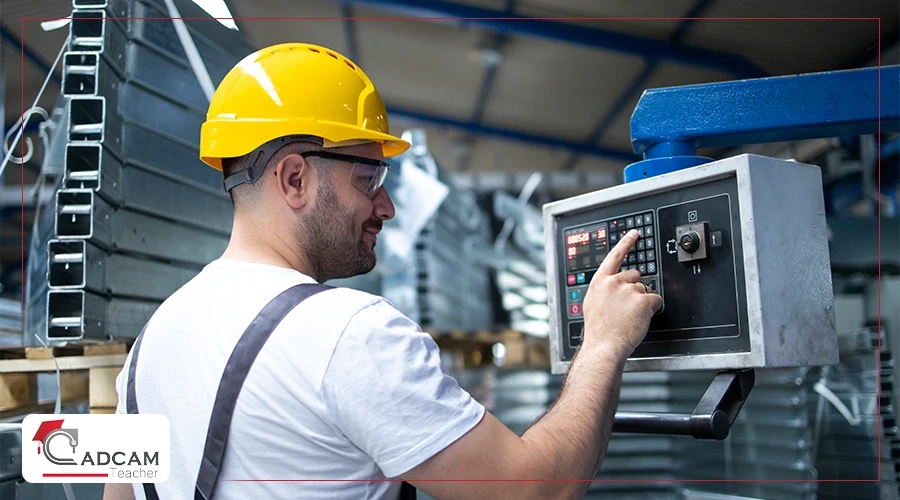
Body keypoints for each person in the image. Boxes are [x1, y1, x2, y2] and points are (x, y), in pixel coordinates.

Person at [104, 42, 662, 500]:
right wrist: (603, 345)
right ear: (294, 179)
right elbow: (534, 490)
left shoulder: (149, 347)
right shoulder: (348, 335)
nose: (388, 206)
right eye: (367, 177)